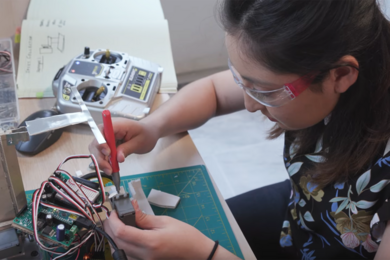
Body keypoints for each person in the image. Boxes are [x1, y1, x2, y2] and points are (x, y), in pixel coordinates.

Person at [89, 0, 390, 259]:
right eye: (241, 79)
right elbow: (214, 92)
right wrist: (152, 127)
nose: (248, 104)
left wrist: (205, 254)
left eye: (265, 91)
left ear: (340, 75)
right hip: (305, 213)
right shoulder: (351, 59)